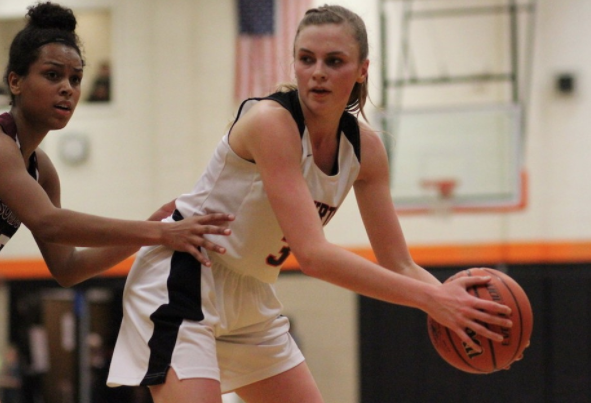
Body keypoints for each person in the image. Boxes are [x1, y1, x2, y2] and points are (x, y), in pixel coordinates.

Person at [107, 5, 514, 403]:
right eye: (307, 59)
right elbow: (314, 256)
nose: (317, 72)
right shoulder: (272, 123)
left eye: (334, 61)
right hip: (183, 278)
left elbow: (399, 263)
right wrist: (432, 300)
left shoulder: (366, 149)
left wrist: (466, 311)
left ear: (361, 70)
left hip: (251, 295)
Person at [0, 1, 234, 287]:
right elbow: (48, 222)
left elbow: (69, 268)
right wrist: (157, 233)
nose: (67, 88)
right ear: (15, 81)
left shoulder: (42, 171)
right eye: (52, 75)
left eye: (75, 79)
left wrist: (152, 226)